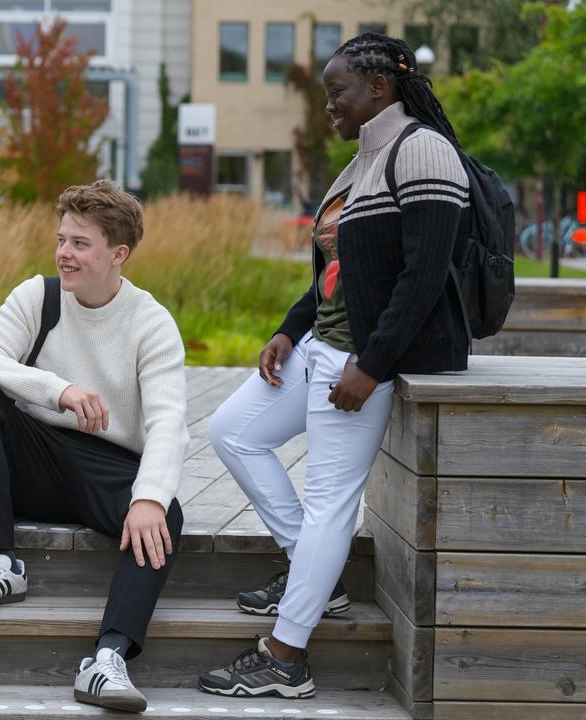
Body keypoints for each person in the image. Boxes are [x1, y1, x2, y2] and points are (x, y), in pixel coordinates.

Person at [198, 32, 471, 700]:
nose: (329, 105)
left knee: (328, 501)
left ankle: (285, 655)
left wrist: (373, 365)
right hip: (322, 348)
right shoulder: (361, 160)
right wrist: (290, 332)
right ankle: (310, 579)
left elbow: (425, 273)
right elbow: (335, 273)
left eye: (337, 91)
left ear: (379, 87)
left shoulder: (422, 150)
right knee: (233, 430)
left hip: (361, 359)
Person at [0, 179, 188, 713]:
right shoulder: (37, 296)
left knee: (165, 513)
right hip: (30, 460)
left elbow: (170, 422)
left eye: (80, 243)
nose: (64, 253)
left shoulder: (151, 322)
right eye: (62, 239)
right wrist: (60, 390)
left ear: (117, 253)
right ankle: (2, 563)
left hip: (103, 470)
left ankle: (107, 659)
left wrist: (148, 497)